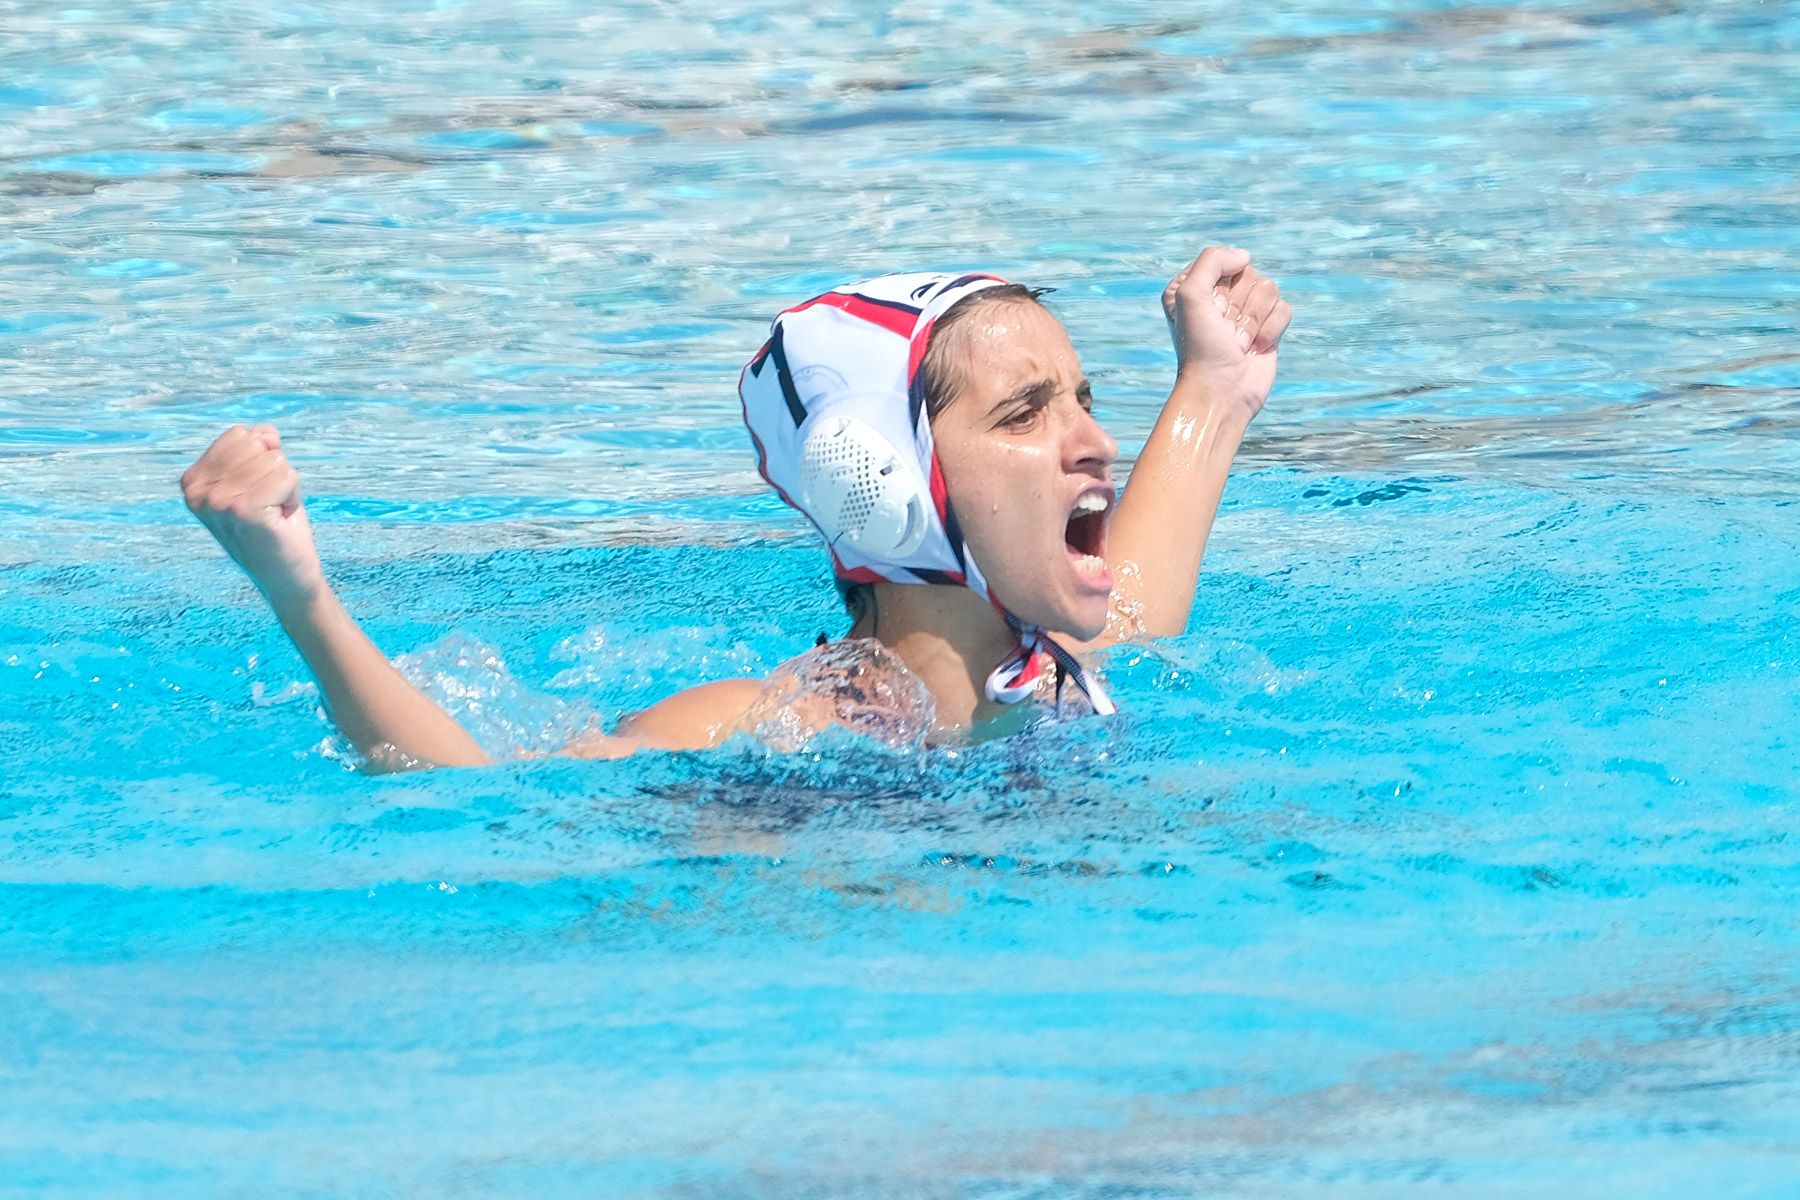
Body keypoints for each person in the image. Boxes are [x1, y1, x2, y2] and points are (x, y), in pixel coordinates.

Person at [180, 247, 1289, 769]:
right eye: (1025, 414)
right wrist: (300, 593)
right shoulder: (776, 730)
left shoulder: (1057, 671)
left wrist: (1215, 387)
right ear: (886, 483)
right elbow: (476, 792)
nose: (1094, 441)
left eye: (1087, 401)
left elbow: (1137, 598)